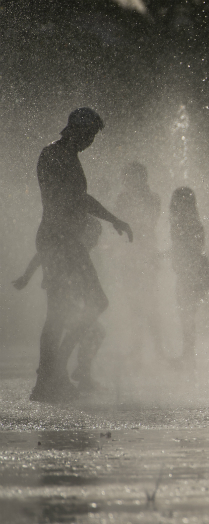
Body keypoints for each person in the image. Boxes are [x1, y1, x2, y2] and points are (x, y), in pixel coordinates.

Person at [31, 108, 133, 402]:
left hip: (61, 239)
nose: (90, 142)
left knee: (59, 312)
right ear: (75, 129)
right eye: (88, 136)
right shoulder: (57, 155)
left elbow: (74, 199)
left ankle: (49, 379)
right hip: (59, 240)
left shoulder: (62, 154)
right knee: (86, 304)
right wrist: (114, 219)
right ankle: (52, 375)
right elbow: (76, 198)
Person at [16, 218, 107, 392]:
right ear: (83, 233)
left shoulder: (78, 252)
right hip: (64, 307)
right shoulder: (73, 251)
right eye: (94, 235)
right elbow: (41, 255)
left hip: (69, 306)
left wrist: (27, 277)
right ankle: (72, 371)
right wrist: (27, 277)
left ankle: (81, 372)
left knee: (95, 331)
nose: (96, 240)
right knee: (94, 331)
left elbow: (42, 256)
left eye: (98, 235)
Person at [115, 161, 164, 366]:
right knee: (135, 305)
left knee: (148, 304)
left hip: (144, 254)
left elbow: (147, 223)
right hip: (132, 256)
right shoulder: (124, 198)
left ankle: (157, 351)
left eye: (129, 177)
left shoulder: (151, 198)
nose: (126, 182)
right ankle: (139, 351)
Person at [169, 187, 209, 371]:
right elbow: (192, 246)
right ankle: (188, 356)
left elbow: (193, 247)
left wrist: (176, 256)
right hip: (193, 270)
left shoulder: (187, 222)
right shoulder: (190, 221)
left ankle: (188, 357)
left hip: (191, 272)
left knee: (186, 315)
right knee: (187, 315)